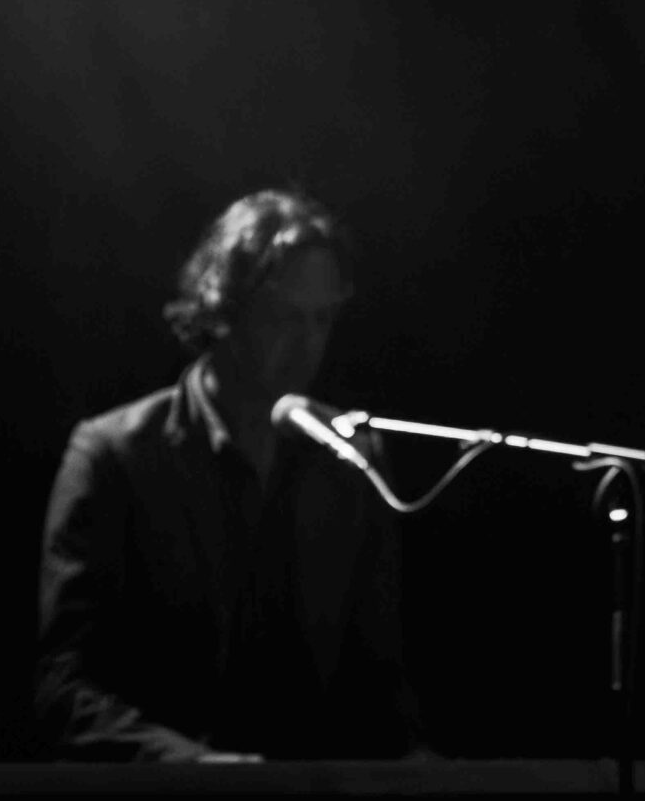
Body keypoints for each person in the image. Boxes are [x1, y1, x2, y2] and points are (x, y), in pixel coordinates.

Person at [35, 190, 422, 761]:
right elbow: (64, 690)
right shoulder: (114, 456)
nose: (308, 343)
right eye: (284, 317)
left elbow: (378, 688)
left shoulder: (348, 460)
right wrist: (200, 771)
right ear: (222, 309)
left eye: (322, 319)